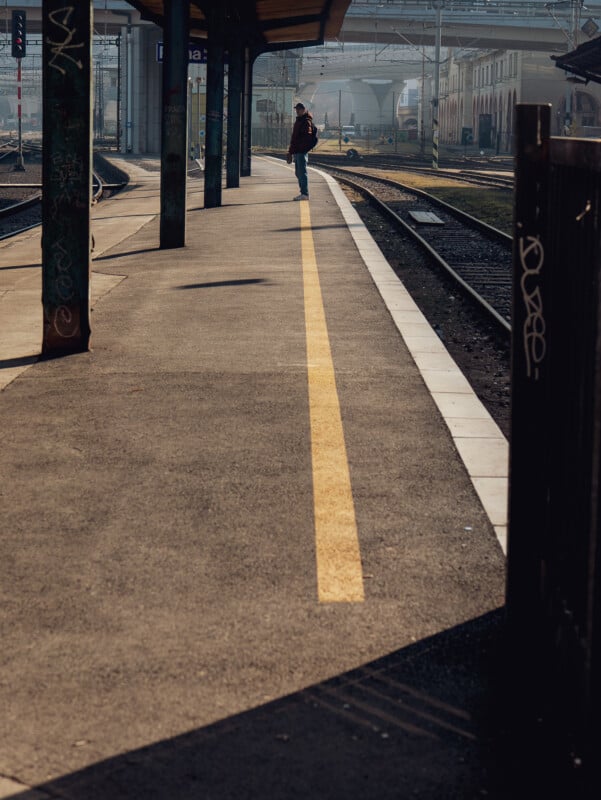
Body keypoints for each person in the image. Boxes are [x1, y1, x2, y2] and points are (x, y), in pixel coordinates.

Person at [286, 102, 315, 201]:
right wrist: (290, 151)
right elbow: (294, 138)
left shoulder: (306, 122)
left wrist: (301, 148)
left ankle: (304, 194)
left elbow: (306, 138)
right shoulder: (299, 121)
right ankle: (303, 193)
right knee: (298, 173)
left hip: (301, 151)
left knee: (302, 172)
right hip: (297, 151)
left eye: (299, 109)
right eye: (296, 109)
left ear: (303, 110)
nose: (297, 111)